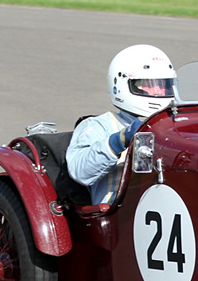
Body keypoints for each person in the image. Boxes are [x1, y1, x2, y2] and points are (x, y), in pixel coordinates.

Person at [67, 44, 176, 205]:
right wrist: (120, 139)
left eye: (164, 85)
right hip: (116, 215)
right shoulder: (100, 125)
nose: (159, 92)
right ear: (121, 84)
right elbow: (80, 172)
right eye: (148, 84)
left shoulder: (174, 125)